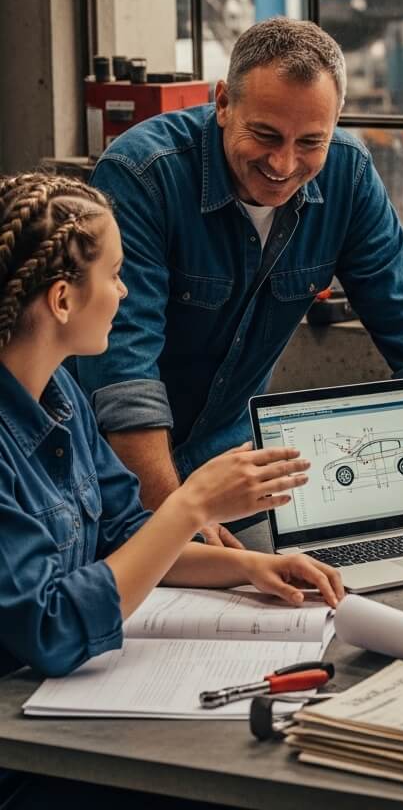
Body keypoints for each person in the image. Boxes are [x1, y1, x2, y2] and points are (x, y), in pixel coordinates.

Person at [77, 18, 403, 546]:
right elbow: (124, 372)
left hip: (234, 472)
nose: (283, 162)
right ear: (224, 102)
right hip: (115, 478)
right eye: (265, 135)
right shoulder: (142, 174)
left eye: (310, 142)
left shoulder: (349, 173)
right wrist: (173, 520)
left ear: (335, 123)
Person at [0, 174, 342, 683]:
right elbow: (50, 631)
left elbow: (124, 535)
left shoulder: (62, 396)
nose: (124, 290)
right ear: (63, 300)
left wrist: (246, 570)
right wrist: (191, 505)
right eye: (114, 273)